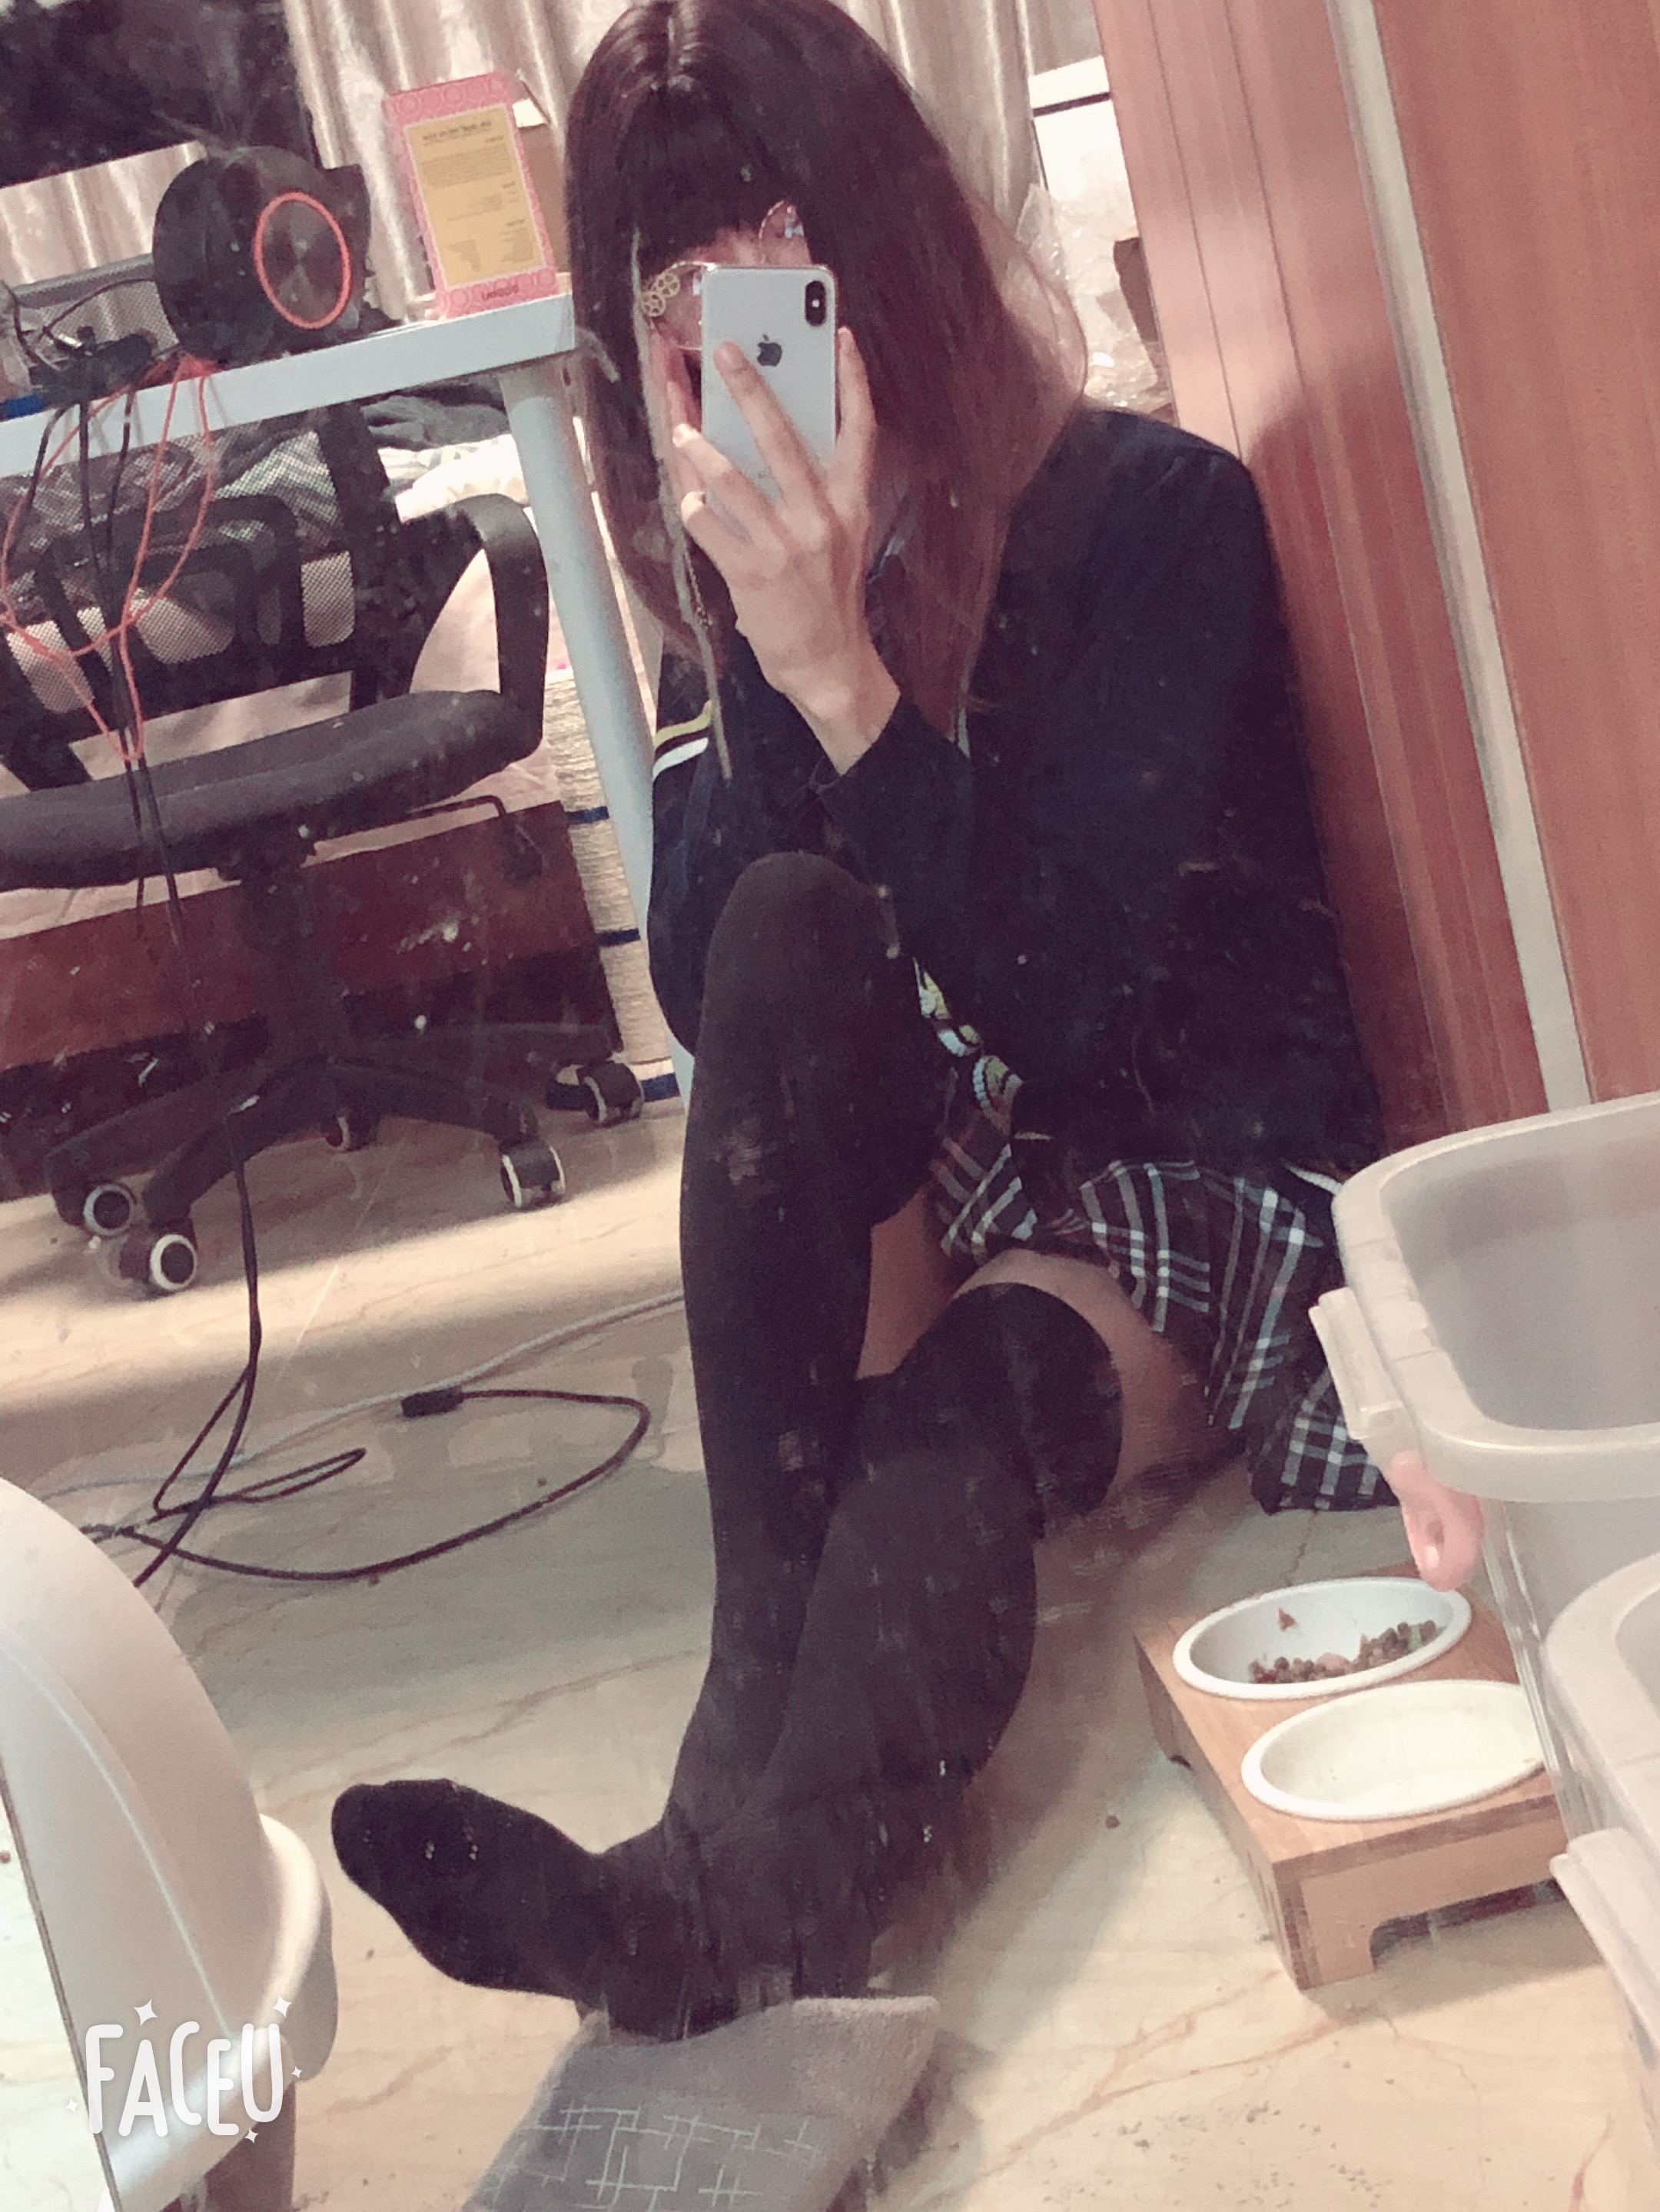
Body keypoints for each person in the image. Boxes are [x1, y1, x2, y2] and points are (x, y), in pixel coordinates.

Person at [332, 0, 1390, 2041]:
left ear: (883, 263)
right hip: (971, 1158)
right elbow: (717, 991)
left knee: (962, 1395)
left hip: (1198, 1175)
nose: (748, 369)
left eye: (781, 293)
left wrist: (848, 684)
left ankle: (752, 1901)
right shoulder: (754, 585)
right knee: (790, 926)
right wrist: (766, 652)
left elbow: (1074, 1012)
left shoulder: (1151, 519)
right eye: (682, 328)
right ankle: (724, 1773)